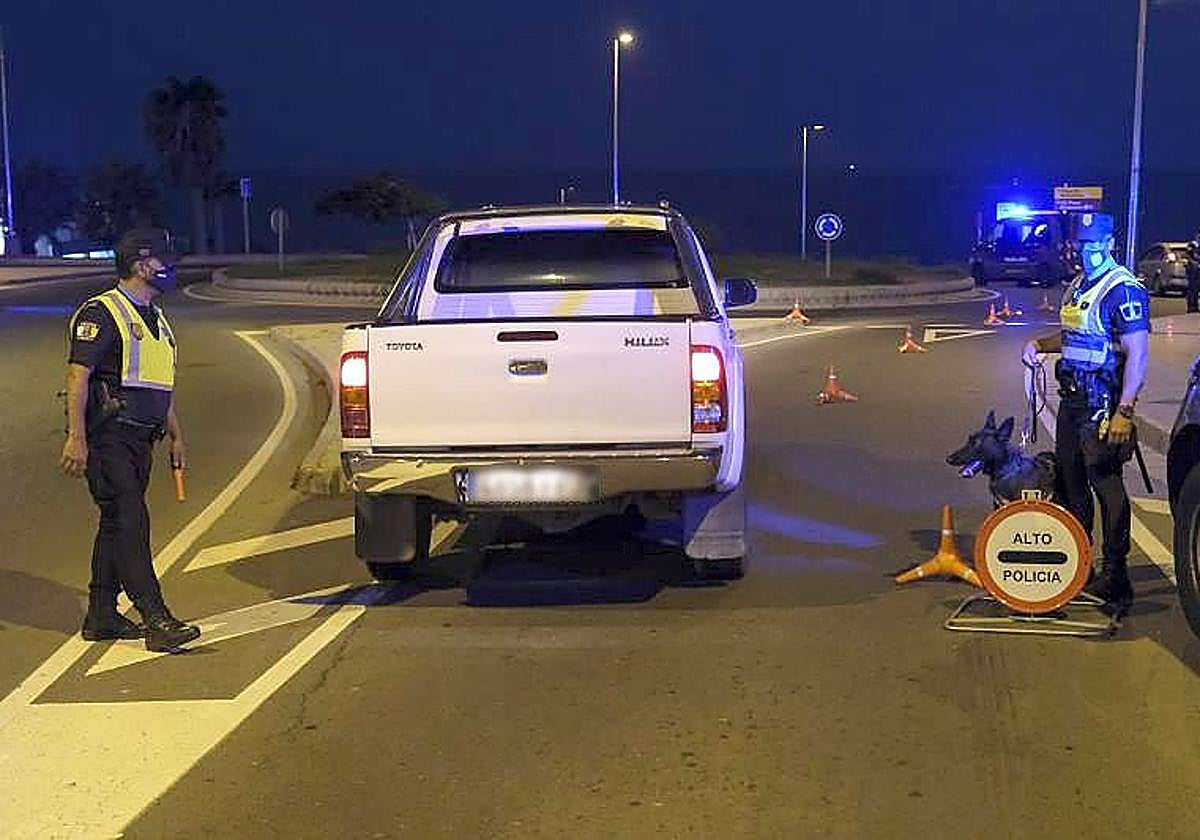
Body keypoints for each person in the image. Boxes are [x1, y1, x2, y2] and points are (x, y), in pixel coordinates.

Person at [59, 228, 201, 652]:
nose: (169, 268)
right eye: (164, 261)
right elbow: (77, 377)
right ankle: (155, 616)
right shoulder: (101, 313)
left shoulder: (156, 318)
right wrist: (75, 438)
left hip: (143, 440)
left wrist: (177, 436)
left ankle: (101, 614)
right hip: (109, 438)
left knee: (116, 524)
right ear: (142, 266)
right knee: (130, 521)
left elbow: (159, 386)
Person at [1022, 212, 1149, 614]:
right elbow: (1076, 336)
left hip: (1103, 404)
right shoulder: (1079, 286)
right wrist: (1040, 346)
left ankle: (1116, 576)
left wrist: (1125, 411)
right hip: (1072, 402)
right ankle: (1081, 564)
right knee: (1072, 483)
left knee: (1106, 485)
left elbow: (1138, 353)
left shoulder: (1123, 289)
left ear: (1111, 242)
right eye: (1082, 245)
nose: (1088, 252)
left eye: (1095, 245)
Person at [1187, 227, 1200, 314]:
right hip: (1194, 269)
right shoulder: (1193, 244)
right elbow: (1190, 256)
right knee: (1193, 289)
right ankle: (1192, 307)